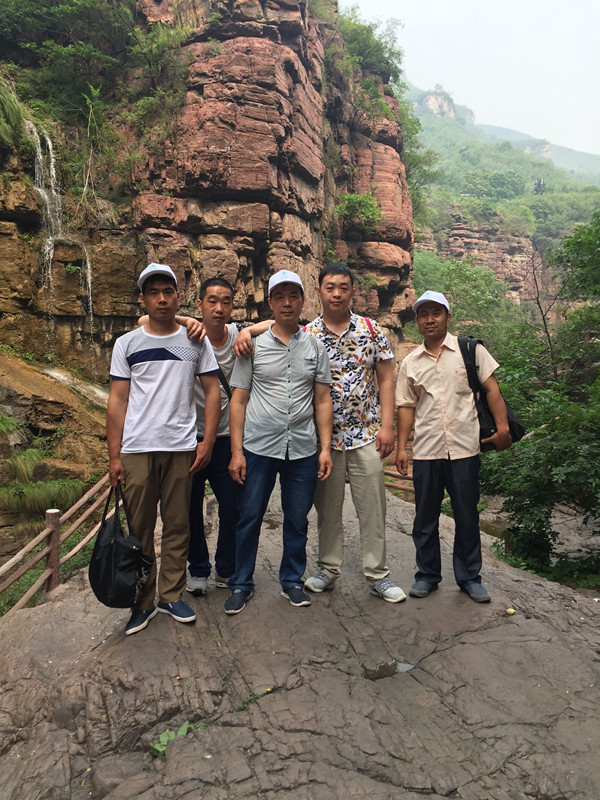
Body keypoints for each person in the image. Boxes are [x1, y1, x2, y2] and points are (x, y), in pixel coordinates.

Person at [106, 263, 220, 635]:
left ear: (178, 296)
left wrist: (206, 441)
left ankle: (170, 595)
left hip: (181, 447)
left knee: (178, 525)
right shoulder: (127, 344)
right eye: (153, 292)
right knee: (139, 530)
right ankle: (142, 602)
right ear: (143, 298)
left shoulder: (195, 341)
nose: (161, 299)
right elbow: (118, 401)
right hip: (137, 448)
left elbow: (213, 391)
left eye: (167, 291)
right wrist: (114, 456)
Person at [224, 269, 333, 615]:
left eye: (293, 296)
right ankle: (241, 583)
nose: (287, 303)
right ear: (270, 302)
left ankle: (291, 581)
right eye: (280, 297)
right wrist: (236, 452)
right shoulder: (253, 346)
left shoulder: (315, 347)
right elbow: (238, 400)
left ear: (303, 300)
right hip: (258, 447)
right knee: (249, 516)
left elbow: (322, 400)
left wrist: (325, 448)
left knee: (297, 518)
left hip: (302, 448)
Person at [395, 290, 511, 603]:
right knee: (425, 517)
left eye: (436, 313)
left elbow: (492, 390)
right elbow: (406, 406)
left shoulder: (469, 350)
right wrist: (402, 448)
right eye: (423, 314)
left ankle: (470, 578)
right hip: (427, 450)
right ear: (417, 321)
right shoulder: (411, 362)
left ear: (448, 316)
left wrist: (503, 429)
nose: (429, 319)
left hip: (465, 449)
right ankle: (427, 576)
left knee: (466, 516)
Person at [302, 264, 406, 602]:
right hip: (325, 441)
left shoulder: (371, 330)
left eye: (343, 287)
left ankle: (378, 575)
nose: (336, 293)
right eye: (330, 287)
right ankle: (328, 569)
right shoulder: (307, 335)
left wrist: (387, 427)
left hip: (366, 434)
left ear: (352, 292)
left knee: (373, 507)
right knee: (327, 508)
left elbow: (386, 379)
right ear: (319, 290)